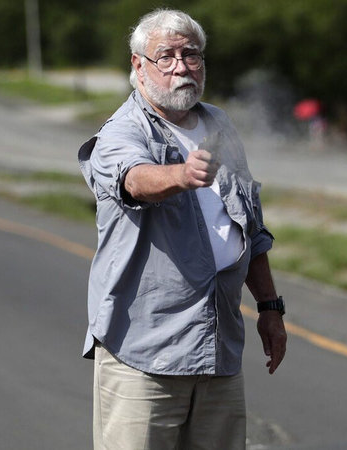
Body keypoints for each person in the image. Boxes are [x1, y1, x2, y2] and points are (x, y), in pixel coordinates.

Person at [77, 9, 286, 449]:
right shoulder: (122, 131)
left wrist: (269, 306)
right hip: (145, 353)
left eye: (190, 55)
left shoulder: (218, 124)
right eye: (165, 56)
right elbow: (132, 180)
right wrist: (180, 175)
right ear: (139, 66)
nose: (180, 67)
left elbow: (251, 226)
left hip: (218, 349)